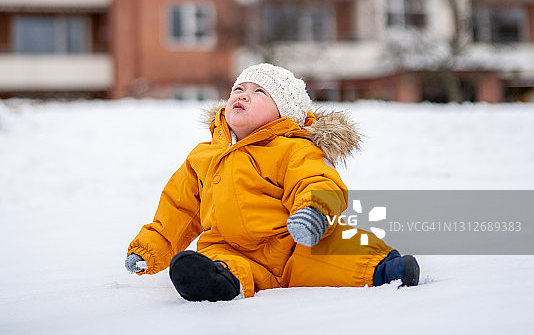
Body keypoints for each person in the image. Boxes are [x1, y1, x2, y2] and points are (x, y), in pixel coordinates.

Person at [125, 63, 420, 301]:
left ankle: (385, 269)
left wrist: (314, 213)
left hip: (296, 245)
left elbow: (318, 182)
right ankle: (219, 283)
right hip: (232, 248)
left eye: (258, 92)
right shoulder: (203, 156)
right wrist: (150, 249)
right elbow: (179, 209)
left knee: (342, 249)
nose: (242, 95)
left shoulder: (293, 148)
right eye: (238, 89)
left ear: (284, 113)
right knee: (218, 260)